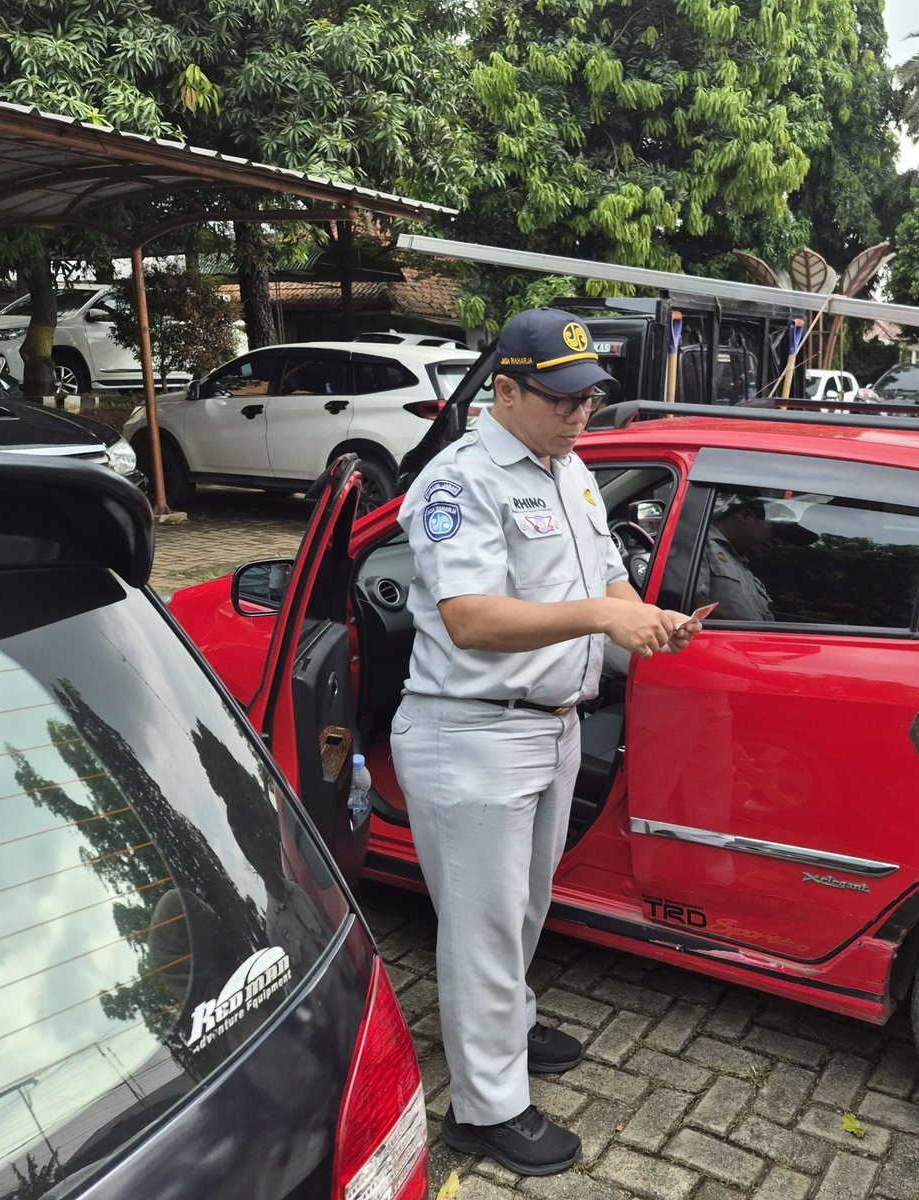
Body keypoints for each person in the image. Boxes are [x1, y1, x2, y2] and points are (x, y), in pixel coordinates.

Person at [390, 307, 700, 1176]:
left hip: (551, 726)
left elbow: (604, 571)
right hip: (473, 731)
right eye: (560, 399)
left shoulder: (569, 472)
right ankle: (485, 1109)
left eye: (589, 397)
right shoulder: (461, 481)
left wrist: (640, 618)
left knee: (525, 908)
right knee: (483, 927)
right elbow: (470, 618)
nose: (579, 413)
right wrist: (603, 615)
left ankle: (511, 1027)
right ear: (507, 391)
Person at [694, 493, 777, 621]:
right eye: (772, 529)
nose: (775, 541)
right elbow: (693, 604)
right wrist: (750, 627)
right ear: (745, 515)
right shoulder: (698, 544)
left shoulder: (741, 564)